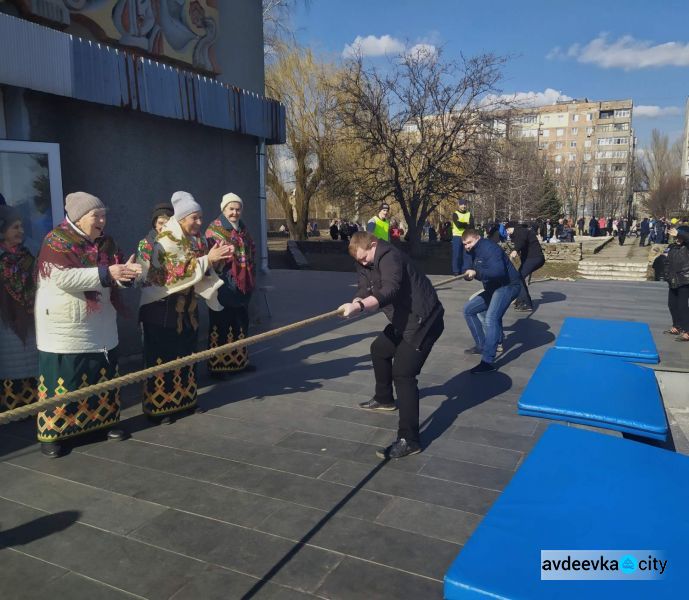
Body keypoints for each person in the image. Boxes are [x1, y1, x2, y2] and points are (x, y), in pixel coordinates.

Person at [34, 192, 141, 458]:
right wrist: (107, 274)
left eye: (104, 215)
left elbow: (117, 269)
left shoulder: (107, 242)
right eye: (97, 215)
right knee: (66, 379)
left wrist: (126, 274)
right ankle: (54, 434)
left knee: (100, 374)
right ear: (79, 217)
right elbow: (63, 278)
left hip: (100, 323)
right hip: (66, 325)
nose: (103, 221)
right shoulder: (56, 241)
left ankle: (101, 423)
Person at [339, 232, 444, 459]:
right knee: (379, 349)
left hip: (424, 320)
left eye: (365, 258)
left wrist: (360, 307)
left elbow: (390, 289)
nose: (363, 263)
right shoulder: (364, 261)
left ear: (373, 245)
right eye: (359, 261)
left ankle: (410, 440)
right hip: (403, 319)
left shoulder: (389, 256)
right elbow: (364, 287)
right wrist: (357, 300)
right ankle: (384, 399)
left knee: (404, 374)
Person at [138, 191, 232, 423]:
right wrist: (207, 260)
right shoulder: (164, 241)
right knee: (163, 357)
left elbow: (201, 270)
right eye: (195, 218)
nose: (200, 223)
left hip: (187, 309)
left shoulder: (196, 240)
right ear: (181, 219)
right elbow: (173, 273)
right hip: (161, 308)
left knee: (186, 353)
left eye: (200, 218)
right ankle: (160, 408)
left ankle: (185, 400)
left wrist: (217, 261)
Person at [206, 193, 257, 376]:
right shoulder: (214, 230)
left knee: (240, 324)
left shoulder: (243, 229)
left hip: (242, 286)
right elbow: (210, 258)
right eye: (231, 209)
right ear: (223, 209)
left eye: (238, 209)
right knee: (221, 325)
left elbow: (251, 251)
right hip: (223, 286)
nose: (234, 213)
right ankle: (218, 366)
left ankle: (239, 361)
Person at [461, 229, 522, 374]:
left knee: (491, 318)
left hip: (508, 286)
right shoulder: (470, 251)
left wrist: (477, 273)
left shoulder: (490, 248)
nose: (467, 246)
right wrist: (467, 273)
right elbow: (467, 267)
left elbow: (498, 271)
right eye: (464, 244)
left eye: (469, 242)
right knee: (468, 310)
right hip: (492, 289)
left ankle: (488, 361)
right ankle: (482, 345)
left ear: (477, 238)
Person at [0, 205, 38, 413]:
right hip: (5, 322)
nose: (21, 231)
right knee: (10, 361)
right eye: (15, 227)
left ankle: (33, 404)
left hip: (30, 317)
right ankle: (12, 408)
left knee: (30, 359)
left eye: (22, 226)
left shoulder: (28, 253)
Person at [507, 221, 545, 312]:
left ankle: (526, 303)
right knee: (518, 277)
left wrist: (515, 250)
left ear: (512, 227)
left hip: (535, 258)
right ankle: (520, 299)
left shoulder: (521, 231)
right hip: (531, 258)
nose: (507, 232)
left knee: (518, 277)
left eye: (507, 230)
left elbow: (522, 241)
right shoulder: (519, 233)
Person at [664, 225, 689, 341]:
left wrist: (679, 233)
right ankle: (677, 326)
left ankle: (687, 331)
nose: (677, 239)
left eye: (679, 237)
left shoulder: (687, 246)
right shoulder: (672, 247)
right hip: (673, 279)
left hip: (685, 279)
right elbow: (667, 262)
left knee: (682, 306)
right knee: (672, 304)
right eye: (676, 237)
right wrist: (666, 275)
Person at [451, 198, 474, 274]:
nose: (463, 206)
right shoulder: (455, 214)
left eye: (464, 204)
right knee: (457, 254)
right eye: (462, 204)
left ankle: (465, 270)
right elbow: (458, 225)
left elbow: (471, 225)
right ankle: (456, 271)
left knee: (467, 254)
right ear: (459, 205)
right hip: (457, 236)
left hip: (467, 236)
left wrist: (463, 224)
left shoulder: (469, 214)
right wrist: (466, 224)